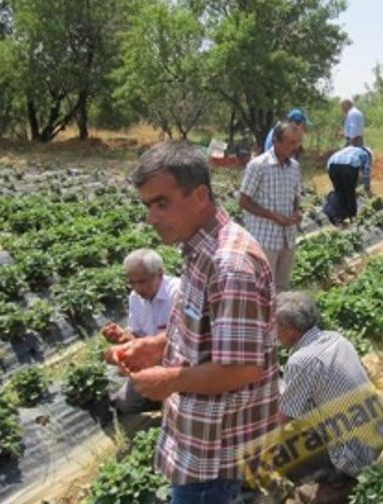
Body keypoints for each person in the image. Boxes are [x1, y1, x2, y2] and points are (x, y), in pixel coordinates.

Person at [110, 141, 280, 504]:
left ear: (200, 195)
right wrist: (153, 346)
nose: (151, 217)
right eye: (148, 205)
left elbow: (243, 369)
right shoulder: (198, 250)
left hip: (216, 454)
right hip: (197, 437)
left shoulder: (229, 265)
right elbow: (201, 329)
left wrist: (168, 380)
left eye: (162, 203)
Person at [275, 291, 383, 489]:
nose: (272, 332)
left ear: (290, 329)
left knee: (277, 453)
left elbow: (282, 422)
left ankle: (336, 480)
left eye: (275, 326)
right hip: (378, 433)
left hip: (355, 456)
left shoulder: (301, 361)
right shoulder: (336, 339)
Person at [101, 248, 180, 413]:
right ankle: (162, 401)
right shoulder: (135, 298)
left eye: (143, 281)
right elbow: (136, 335)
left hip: (181, 363)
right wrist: (122, 337)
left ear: (160, 274)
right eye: (132, 282)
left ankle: (174, 402)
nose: (137, 288)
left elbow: (189, 338)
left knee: (176, 406)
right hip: (149, 361)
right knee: (125, 403)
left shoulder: (179, 293)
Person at [239, 121, 304, 292]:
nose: (295, 147)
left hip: (287, 237)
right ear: (276, 141)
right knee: (262, 287)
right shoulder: (258, 166)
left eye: (297, 142)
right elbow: (243, 201)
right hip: (264, 238)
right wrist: (273, 216)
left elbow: (296, 196)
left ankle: (278, 318)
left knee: (282, 286)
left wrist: (297, 212)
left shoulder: (294, 167)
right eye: (290, 142)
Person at [325, 142, 372, 224]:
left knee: (339, 192)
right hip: (348, 167)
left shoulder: (348, 149)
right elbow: (366, 173)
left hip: (332, 165)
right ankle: (352, 216)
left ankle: (339, 216)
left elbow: (329, 165)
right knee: (350, 192)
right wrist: (367, 187)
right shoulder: (366, 155)